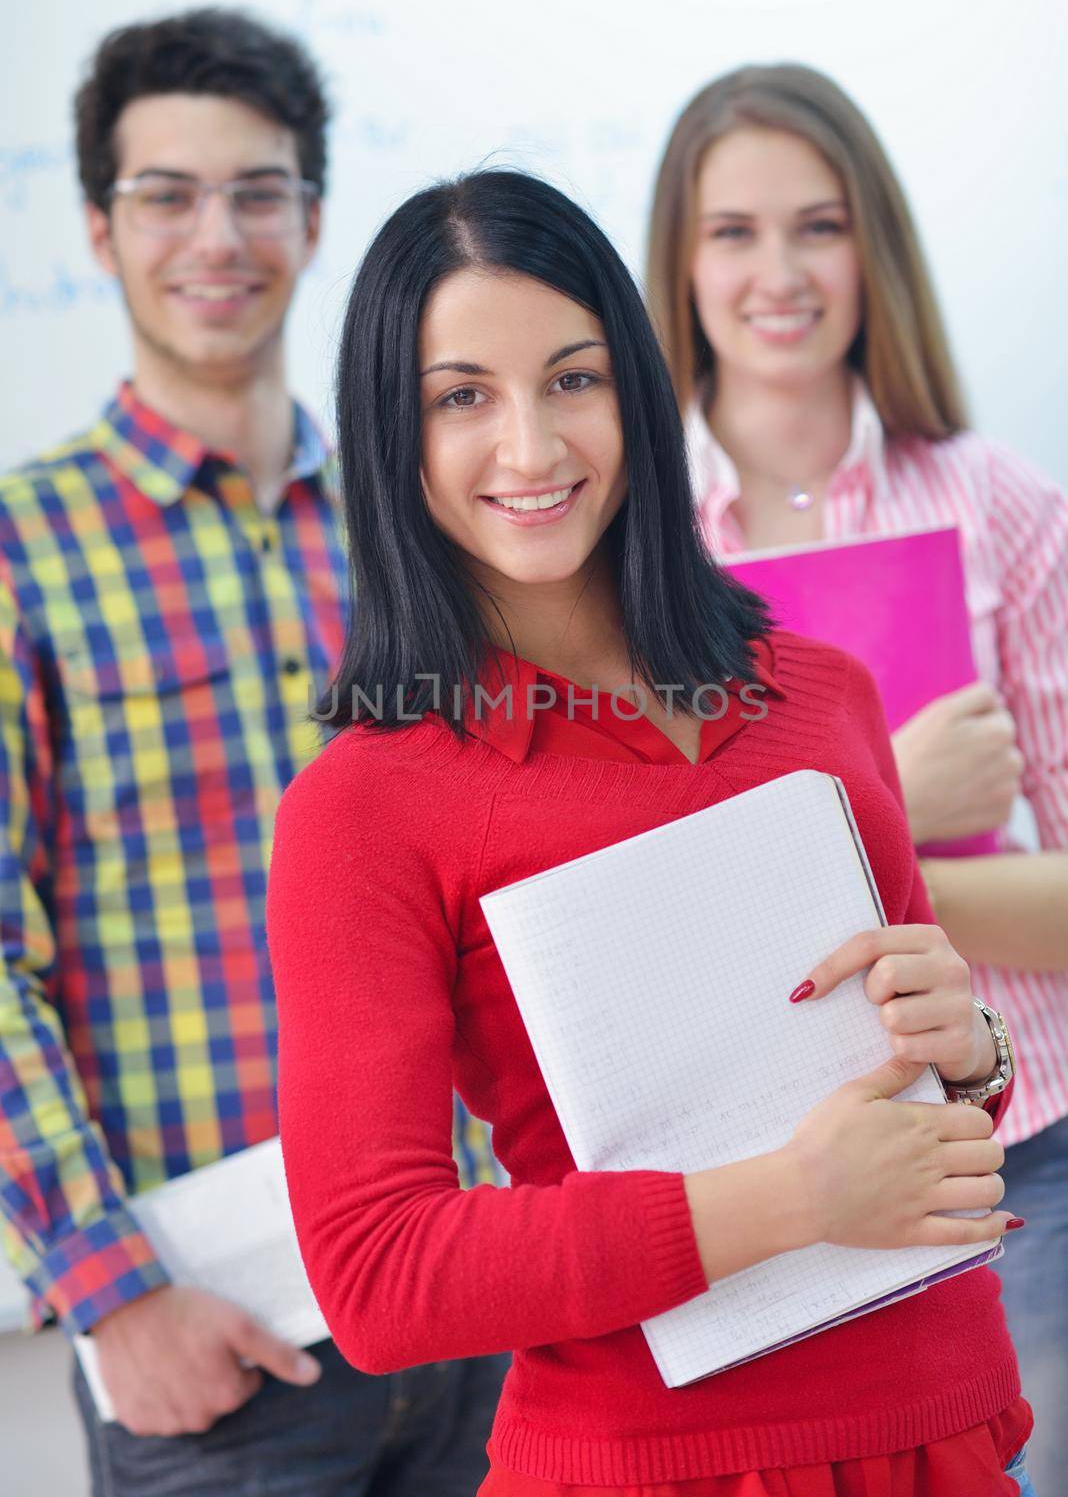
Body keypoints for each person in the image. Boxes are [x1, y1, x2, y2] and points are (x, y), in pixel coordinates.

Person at [267, 168, 1033, 1497]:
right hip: (659, 1467)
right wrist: (793, 1201)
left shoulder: (822, 696)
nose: (532, 446)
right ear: (393, 435)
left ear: (636, 383)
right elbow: (379, 1275)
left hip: (950, 1430)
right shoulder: (365, 809)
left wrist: (970, 1047)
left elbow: (928, 1108)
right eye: (463, 398)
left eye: (574, 379)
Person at [0, 8, 504, 1496]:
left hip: (482, 1296)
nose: (215, 235)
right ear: (99, 226)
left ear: (314, 216)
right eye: (166, 193)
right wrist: (111, 1294)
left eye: (257, 190)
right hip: (223, 1349)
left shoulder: (421, 520)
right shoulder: (23, 549)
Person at [645, 61, 1068, 1496]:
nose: (779, 273)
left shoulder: (998, 503)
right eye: (734, 232)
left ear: (872, 246)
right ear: (677, 263)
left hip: (1020, 1151)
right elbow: (652, 920)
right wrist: (888, 794)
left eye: (818, 226)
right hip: (753, 1187)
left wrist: (860, 867)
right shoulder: (623, 556)